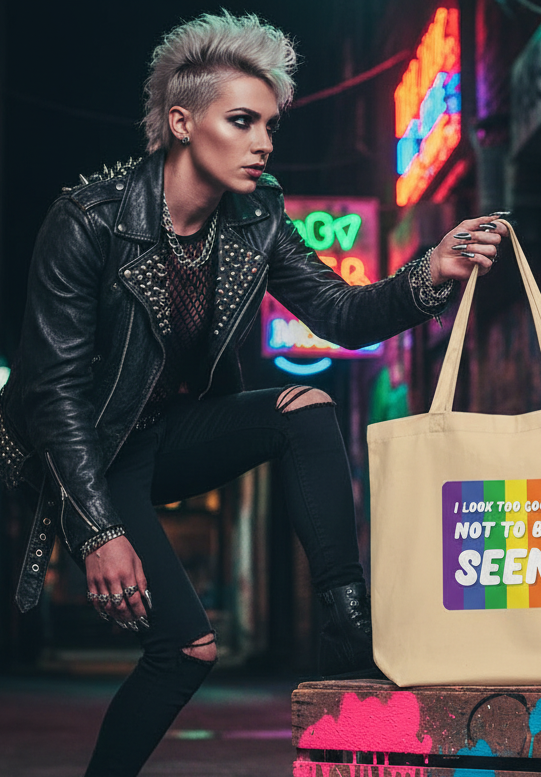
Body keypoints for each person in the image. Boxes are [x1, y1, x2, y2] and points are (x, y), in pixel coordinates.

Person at [0, 11, 506, 776]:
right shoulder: (88, 221)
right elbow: (53, 394)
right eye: (242, 121)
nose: (263, 141)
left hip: (171, 432)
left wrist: (428, 270)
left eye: (269, 123)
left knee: (306, 408)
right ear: (181, 122)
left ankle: (347, 625)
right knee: (185, 649)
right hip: (88, 454)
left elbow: (339, 314)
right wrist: (99, 531)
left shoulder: (256, 217)